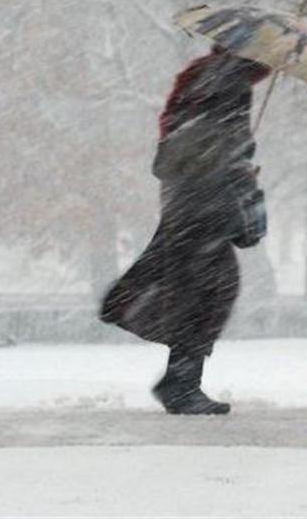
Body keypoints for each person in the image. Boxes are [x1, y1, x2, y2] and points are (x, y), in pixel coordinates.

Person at [100, 45, 271, 414]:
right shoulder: (232, 81)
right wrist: (241, 172)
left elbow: (187, 141)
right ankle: (180, 384)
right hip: (205, 204)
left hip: (185, 201)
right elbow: (224, 144)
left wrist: (233, 161)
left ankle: (179, 381)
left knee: (196, 293)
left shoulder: (204, 76)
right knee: (209, 294)